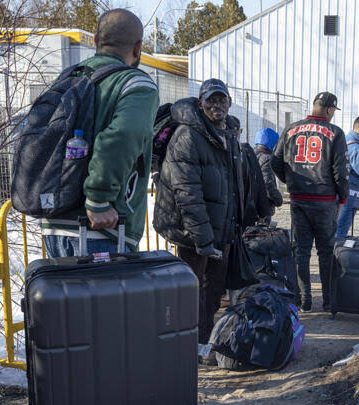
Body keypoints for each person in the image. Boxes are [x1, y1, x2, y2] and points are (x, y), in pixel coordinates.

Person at [153, 79, 267, 353]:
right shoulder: (188, 136)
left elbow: (233, 185)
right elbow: (187, 194)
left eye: (221, 100)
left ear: (229, 103)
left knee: (214, 290)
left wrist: (238, 223)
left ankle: (203, 339)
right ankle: (188, 343)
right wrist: (203, 240)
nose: (217, 105)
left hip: (222, 229)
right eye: (211, 100)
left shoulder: (228, 135)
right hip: (194, 233)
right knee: (193, 290)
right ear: (201, 103)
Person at [41, 9, 158, 257]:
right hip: (103, 226)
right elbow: (123, 135)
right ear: (138, 48)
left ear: (95, 40)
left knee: (64, 296)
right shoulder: (137, 84)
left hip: (55, 225)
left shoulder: (67, 79)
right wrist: (99, 199)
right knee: (109, 297)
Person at [271, 91, 348, 313]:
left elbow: (275, 162)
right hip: (324, 201)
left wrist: (292, 180)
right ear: (329, 109)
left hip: (299, 199)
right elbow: (340, 171)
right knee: (325, 251)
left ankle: (304, 299)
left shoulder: (290, 129)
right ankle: (327, 301)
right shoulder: (335, 133)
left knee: (301, 251)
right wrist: (342, 198)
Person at [335, 116, 359, 238]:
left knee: (338, 227)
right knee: (341, 229)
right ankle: (336, 255)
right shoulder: (356, 147)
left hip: (343, 190)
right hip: (351, 192)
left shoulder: (345, 141)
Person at [254, 128, 283, 224]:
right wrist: (278, 200)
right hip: (262, 207)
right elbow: (268, 184)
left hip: (250, 204)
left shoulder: (250, 153)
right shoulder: (267, 159)